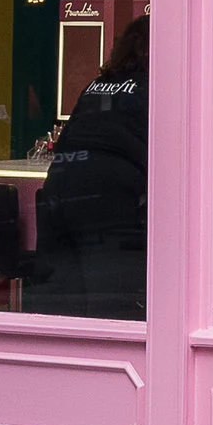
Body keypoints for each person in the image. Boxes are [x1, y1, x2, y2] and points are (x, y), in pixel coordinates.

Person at [22, 16, 147, 317]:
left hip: (61, 185)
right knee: (111, 298)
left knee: (64, 297)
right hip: (110, 195)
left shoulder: (96, 85)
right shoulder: (153, 86)